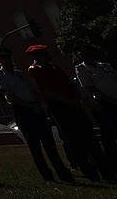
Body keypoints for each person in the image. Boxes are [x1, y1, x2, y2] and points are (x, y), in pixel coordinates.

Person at [27, 44, 113, 180]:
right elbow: (47, 92)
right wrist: (68, 101)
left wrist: (76, 99)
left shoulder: (54, 67)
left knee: (90, 137)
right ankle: (90, 171)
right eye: (43, 53)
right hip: (60, 107)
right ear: (37, 56)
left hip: (73, 104)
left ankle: (105, 170)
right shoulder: (35, 70)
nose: (47, 55)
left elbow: (70, 84)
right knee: (74, 139)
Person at [0, 47, 74, 183]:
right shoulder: (0, 76)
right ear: (0, 62)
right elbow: (9, 96)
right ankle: (47, 176)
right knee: (35, 146)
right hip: (22, 110)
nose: (7, 61)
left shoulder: (20, 73)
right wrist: (30, 106)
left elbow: (32, 90)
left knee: (49, 144)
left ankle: (62, 173)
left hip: (35, 108)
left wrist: (38, 103)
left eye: (8, 58)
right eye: (4, 59)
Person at [76, 48, 117, 163]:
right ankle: (112, 157)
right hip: (104, 103)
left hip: (114, 98)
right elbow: (89, 87)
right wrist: (108, 99)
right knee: (108, 132)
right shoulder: (82, 69)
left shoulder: (104, 65)